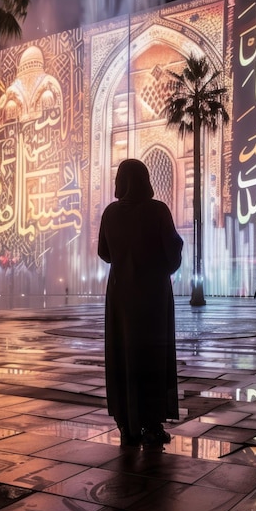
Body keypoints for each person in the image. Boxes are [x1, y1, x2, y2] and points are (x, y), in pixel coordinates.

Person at [98, 159, 183, 448]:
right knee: (152, 357)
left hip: (121, 297)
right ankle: (152, 424)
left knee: (124, 356)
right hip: (153, 298)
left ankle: (127, 424)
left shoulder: (110, 214)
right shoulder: (158, 211)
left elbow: (104, 253)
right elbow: (173, 257)